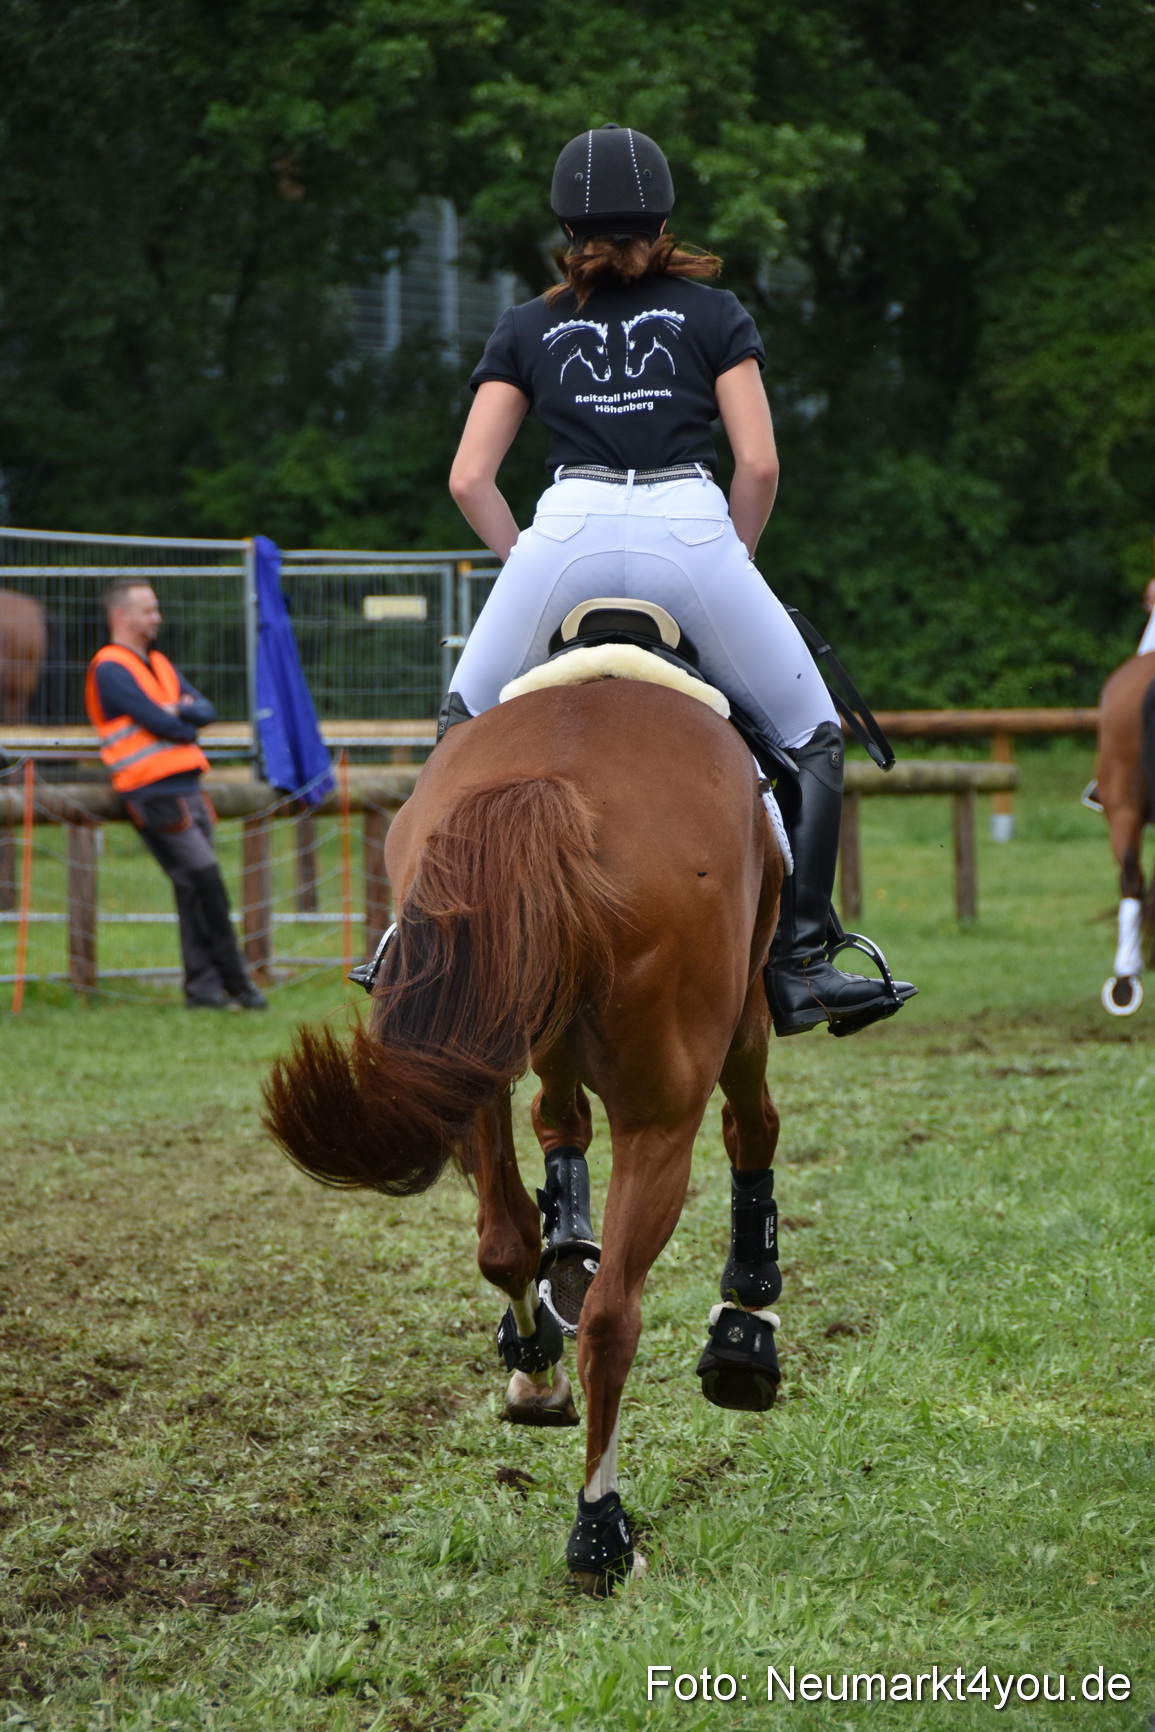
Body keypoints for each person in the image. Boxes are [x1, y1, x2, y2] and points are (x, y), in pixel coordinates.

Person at [443, 123, 914, 1036]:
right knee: (813, 734)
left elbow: (469, 477)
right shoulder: (714, 315)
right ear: (659, 219)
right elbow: (762, 466)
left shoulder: (527, 324)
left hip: (563, 532)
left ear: (564, 223)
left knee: (462, 727)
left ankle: (416, 941)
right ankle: (803, 965)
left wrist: (525, 566)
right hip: (688, 530)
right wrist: (730, 561)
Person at [84, 579, 267, 1010]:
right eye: (148, 610)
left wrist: (179, 713)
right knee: (206, 881)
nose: (157, 617)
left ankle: (203, 991)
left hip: (187, 789)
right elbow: (169, 723)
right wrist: (180, 716)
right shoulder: (109, 668)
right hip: (152, 793)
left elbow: (205, 710)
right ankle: (237, 982)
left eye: (156, 609)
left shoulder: (160, 664)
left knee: (193, 887)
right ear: (121, 617)